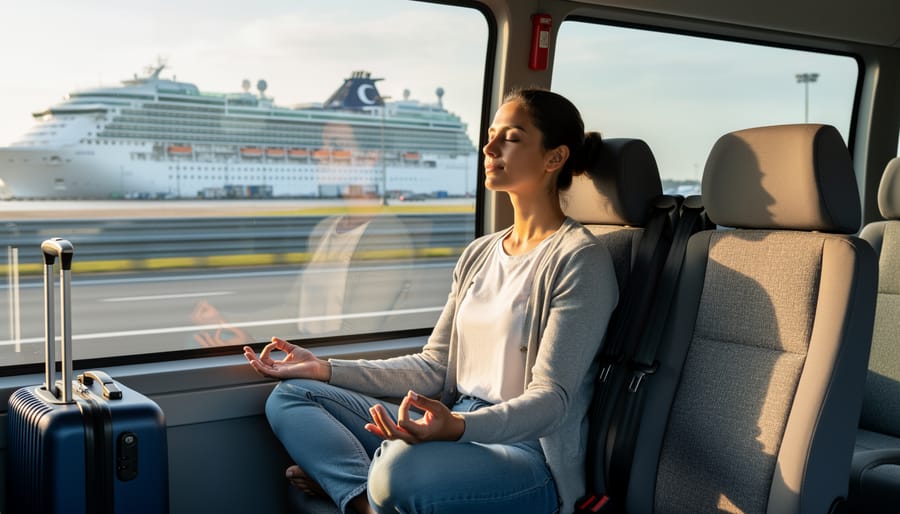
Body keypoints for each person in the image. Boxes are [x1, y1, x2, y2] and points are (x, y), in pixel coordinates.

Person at [243, 89, 619, 514]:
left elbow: (552, 402)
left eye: (511, 138)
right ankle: (365, 499)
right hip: (455, 422)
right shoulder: (480, 253)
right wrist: (325, 368)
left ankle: (361, 487)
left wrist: (456, 427)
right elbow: (434, 366)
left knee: (398, 468)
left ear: (555, 158)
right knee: (292, 396)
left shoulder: (579, 259)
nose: (489, 148)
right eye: (490, 135)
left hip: (524, 453)